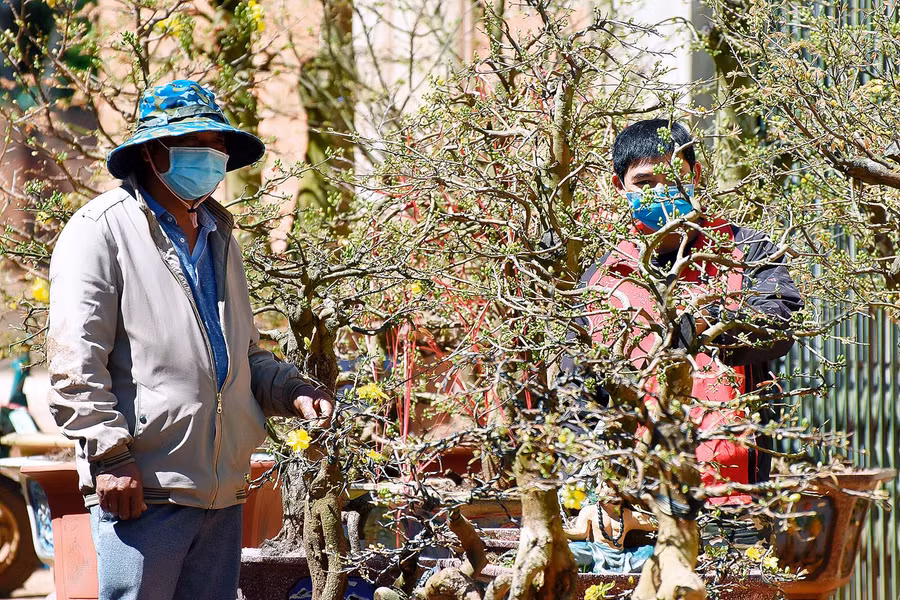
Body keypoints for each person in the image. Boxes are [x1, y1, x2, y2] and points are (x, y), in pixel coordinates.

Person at [47, 80, 333, 600]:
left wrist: (293, 390)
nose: (212, 155)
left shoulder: (220, 236)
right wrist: (110, 457)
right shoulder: (99, 230)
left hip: (221, 493)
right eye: (195, 141)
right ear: (151, 152)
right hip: (142, 491)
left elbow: (241, 356)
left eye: (218, 144)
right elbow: (75, 361)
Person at [568, 119, 804, 509]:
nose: (660, 191)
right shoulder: (600, 279)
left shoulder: (745, 250)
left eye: (673, 177)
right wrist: (588, 485)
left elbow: (779, 320)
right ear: (620, 187)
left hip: (729, 492)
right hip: (632, 498)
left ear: (694, 175)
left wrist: (709, 323)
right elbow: (578, 390)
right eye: (644, 183)